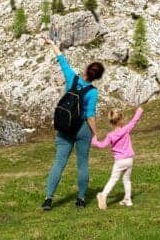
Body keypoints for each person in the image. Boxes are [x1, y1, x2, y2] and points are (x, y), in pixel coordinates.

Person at [40, 34, 104, 210]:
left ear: (85, 70)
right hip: (82, 129)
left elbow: (61, 59)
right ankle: (82, 199)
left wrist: (52, 43)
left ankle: (48, 199)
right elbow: (90, 115)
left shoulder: (72, 78)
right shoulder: (93, 92)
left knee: (59, 163)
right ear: (97, 77)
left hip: (65, 128)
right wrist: (95, 134)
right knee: (82, 164)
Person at [91, 107, 144, 210]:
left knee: (113, 179)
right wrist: (139, 111)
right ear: (121, 119)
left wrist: (94, 141)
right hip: (129, 160)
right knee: (127, 180)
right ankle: (128, 200)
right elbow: (134, 120)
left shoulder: (110, 135)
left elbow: (102, 145)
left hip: (119, 161)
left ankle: (103, 195)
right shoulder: (126, 129)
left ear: (111, 122)